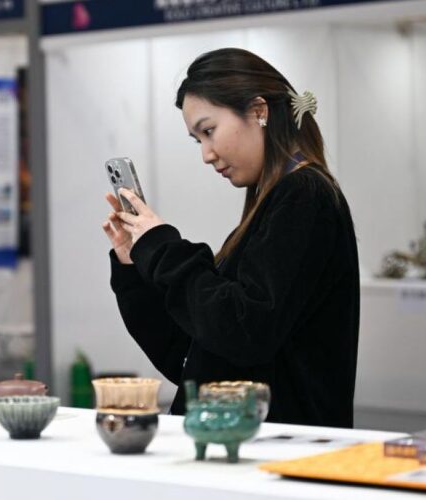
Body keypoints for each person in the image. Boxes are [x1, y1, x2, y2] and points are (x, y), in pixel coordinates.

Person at [101, 48, 359, 428]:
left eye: (209, 131)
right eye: (197, 140)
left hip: (279, 454)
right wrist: (135, 266)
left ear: (258, 111)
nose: (206, 154)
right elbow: (190, 356)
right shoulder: (275, 201)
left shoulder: (304, 195)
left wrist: (162, 247)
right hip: (246, 446)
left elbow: (244, 330)